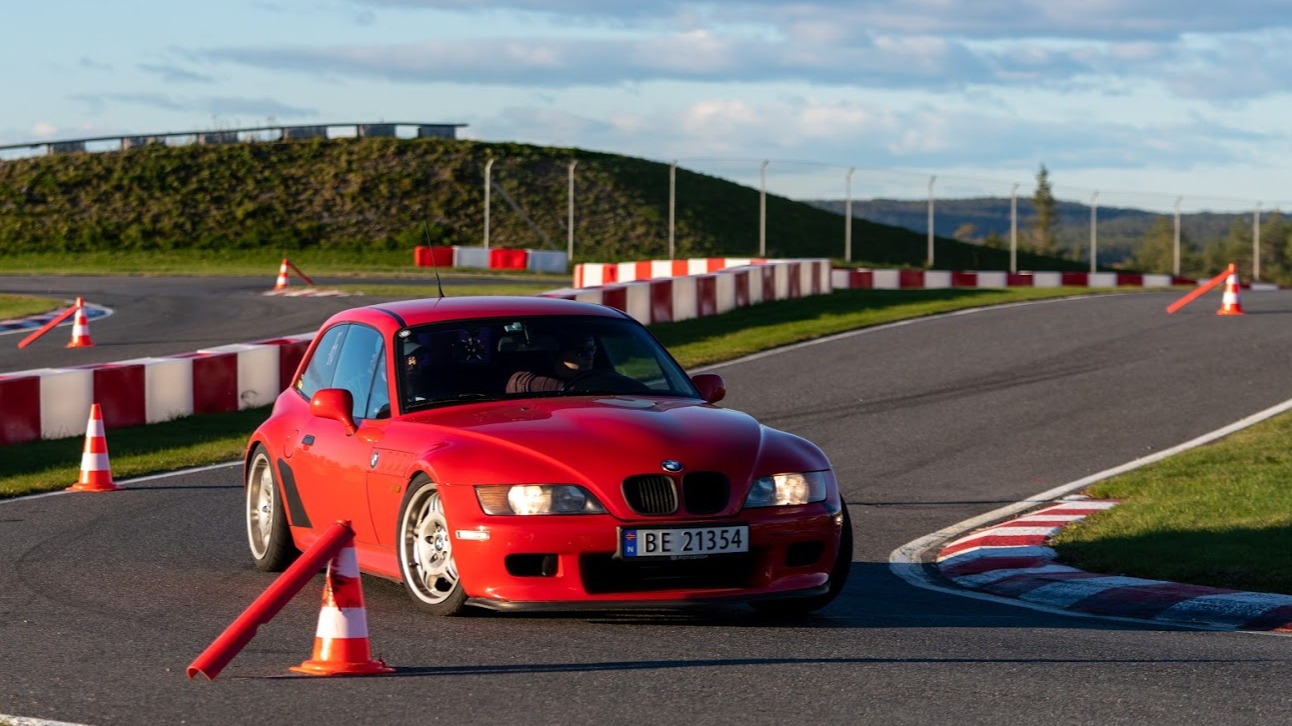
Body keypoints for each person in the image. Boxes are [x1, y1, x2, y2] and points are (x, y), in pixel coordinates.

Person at [506, 335, 596, 393]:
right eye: (580, 352)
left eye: (591, 350)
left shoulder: (598, 378)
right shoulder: (527, 381)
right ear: (558, 354)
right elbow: (520, 383)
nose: (589, 356)